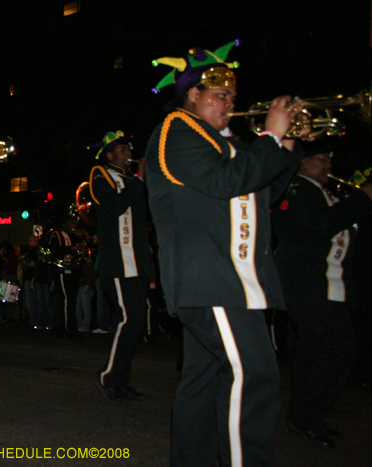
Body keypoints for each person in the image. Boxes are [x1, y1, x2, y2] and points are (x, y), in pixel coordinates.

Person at [145, 42, 304, 467]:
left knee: (204, 381)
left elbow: (261, 192)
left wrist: (286, 147)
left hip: (230, 280)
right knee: (252, 375)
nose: (231, 103)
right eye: (221, 94)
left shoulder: (226, 143)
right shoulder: (176, 130)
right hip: (212, 279)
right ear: (193, 93)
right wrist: (270, 137)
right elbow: (225, 183)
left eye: (233, 95)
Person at [271, 144, 372, 449]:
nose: (328, 165)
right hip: (307, 284)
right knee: (338, 345)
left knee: (314, 348)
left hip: (326, 283)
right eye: (321, 159)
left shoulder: (325, 193)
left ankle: (306, 416)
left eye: (330, 159)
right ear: (302, 163)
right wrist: (363, 197)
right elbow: (321, 224)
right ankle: (307, 415)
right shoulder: (297, 190)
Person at [88, 131, 154, 402]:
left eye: (129, 148)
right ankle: (111, 378)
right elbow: (115, 206)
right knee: (131, 318)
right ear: (109, 154)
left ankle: (119, 379)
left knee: (137, 318)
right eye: (122, 149)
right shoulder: (99, 173)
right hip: (118, 262)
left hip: (136, 262)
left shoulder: (131, 179)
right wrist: (139, 179)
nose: (128, 152)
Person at [48, 215, 85, 338]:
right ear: (64, 224)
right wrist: (72, 248)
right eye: (70, 222)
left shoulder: (74, 235)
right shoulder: (57, 235)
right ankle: (68, 329)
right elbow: (55, 251)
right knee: (66, 299)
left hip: (72, 271)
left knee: (70, 300)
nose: (72, 224)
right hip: (63, 271)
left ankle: (68, 327)